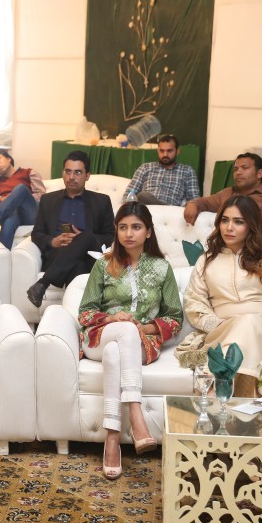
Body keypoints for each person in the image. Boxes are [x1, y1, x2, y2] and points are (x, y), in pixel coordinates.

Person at [78, 202, 182, 472]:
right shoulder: (104, 265)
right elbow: (85, 312)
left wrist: (142, 328)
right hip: (100, 335)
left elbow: (175, 318)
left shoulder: (162, 268)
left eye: (136, 227)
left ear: (148, 232)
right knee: (122, 331)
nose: (129, 233)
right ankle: (136, 415)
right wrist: (112, 319)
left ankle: (112, 438)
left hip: (142, 343)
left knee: (116, 352)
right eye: (123, 227)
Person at [178, 195, 262, 395]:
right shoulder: (206, 260)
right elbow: (194, 302)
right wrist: (220, 324)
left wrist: (261, 321)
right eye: (225, 220)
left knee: (250, 322)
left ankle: (217, 391)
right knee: (246, 325)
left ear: (251, 225)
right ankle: (250, 404)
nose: (229, 228)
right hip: (223, 330)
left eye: (238, 222)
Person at [26, 151, 114, 308]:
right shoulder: (48, 200)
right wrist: (53, 241)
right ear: (63, 174)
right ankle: (76, 315)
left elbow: (110, 236)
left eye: (78, 172)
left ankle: (43, 283)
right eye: (68, 172)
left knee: (85, 237)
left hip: (89, 255)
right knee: (77, 265)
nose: (71, 177)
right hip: (57, 255)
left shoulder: (101, 201)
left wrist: (85, 239)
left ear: (87, 175)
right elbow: (37, 233)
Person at [184, 152, 262, 265]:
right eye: (235, 169)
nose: (238, 172)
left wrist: (244, 250)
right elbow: (205, 202)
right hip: (233, 249)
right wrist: (193, 204)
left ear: (259, 173)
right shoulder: (228, 193)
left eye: (244, 168)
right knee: (205, 263)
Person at [0, 148, 45, 249]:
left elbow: (42, 194)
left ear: (9, 158)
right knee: (8, 220)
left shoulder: (29, 173)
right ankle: (4, 253)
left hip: (30, 213)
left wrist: (18, 198)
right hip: (11, 213)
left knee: (21, 188)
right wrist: (2, 199)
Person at [122, 134, 200, 206]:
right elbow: (128, 195)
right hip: (145, 209)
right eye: (162, 151)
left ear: (177, 151)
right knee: (143, 196)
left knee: (143, 196)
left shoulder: (187, 171)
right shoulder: (145, 168)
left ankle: (162, 206)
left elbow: (195, 200)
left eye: (169, 151)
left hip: (169, 210)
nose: (165, 154)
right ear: (157, 151)